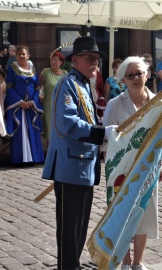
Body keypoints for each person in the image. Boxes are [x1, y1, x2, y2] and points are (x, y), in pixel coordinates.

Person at [41, 36, 114, 270]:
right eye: (90, 58)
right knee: (69, 228)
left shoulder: (83, 83)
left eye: (97, 59)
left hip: (84, 166)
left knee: (79, 227)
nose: (95, 63)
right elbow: (67, 124)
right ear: (76, 60)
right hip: (70, 166)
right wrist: (101, 134)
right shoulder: (68, 83)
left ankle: (72, 265)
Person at [103, 56, 162, 270]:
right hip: (122, 169)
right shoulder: (114, 104)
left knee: (144, 213)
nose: (137, 78)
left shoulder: (158, 102)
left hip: (147, 168)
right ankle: (125, 261)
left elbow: (161, 139)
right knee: (123, 214)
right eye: (131, 75)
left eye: (140, 73)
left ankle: (138, 262)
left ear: (147, 74)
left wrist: (160, 165)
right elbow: (106, 139)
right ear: (124, 80)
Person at [4, 44, 44, 165]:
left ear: (28, 56)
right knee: (20, 130)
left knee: (33, 130)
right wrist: (20, 102)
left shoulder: (33, 69)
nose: (22, 56)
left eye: (23, 54)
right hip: (18, 106)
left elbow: (37, 87)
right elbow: (9, 87)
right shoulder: (12, 68)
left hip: (31, 105)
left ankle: (35, 157)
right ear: (15, 56)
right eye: (19, 54)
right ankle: (20, 158)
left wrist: (33, 101)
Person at [39, 51, 68, 142]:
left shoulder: (65, 74)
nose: (53, 62)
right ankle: (50, 155)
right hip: (49, 106)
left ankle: (60, 155)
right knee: (50, 133)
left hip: (62, 106)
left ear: (61, 62)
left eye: (55, 60)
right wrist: (39, 97)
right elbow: (37, 87)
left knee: (62, 131)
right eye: (51, 60)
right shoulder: (45, 72)